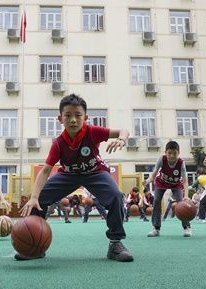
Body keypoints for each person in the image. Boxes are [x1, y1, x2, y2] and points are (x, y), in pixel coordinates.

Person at [19, 94, 133, 262]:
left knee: (116, 196)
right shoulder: (58, 143)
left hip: (95, 172)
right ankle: (35, 245)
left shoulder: (93, 132)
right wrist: (34, 197)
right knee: (39, 199)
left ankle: (115, 244)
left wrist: (122, 139)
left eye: (78, 115)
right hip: (68, 175)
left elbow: (123, 131)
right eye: (68, 115)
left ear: (85, 117)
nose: (73, 120)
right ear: (60, 119)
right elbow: (45, 171)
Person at [144, 141, 191, 237]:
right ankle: (156, 228)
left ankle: (187, 227)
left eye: (175, 153)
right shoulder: (161, 159)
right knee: (156, 201)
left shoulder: (181, 163)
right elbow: (154, 174)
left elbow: (185, 181)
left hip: (176, 184)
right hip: (161, 182)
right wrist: (147, 181)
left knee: (182, 203)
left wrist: (186, 196)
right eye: (169, 153)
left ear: (178, 153)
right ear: (165, 152)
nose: (172, 156)